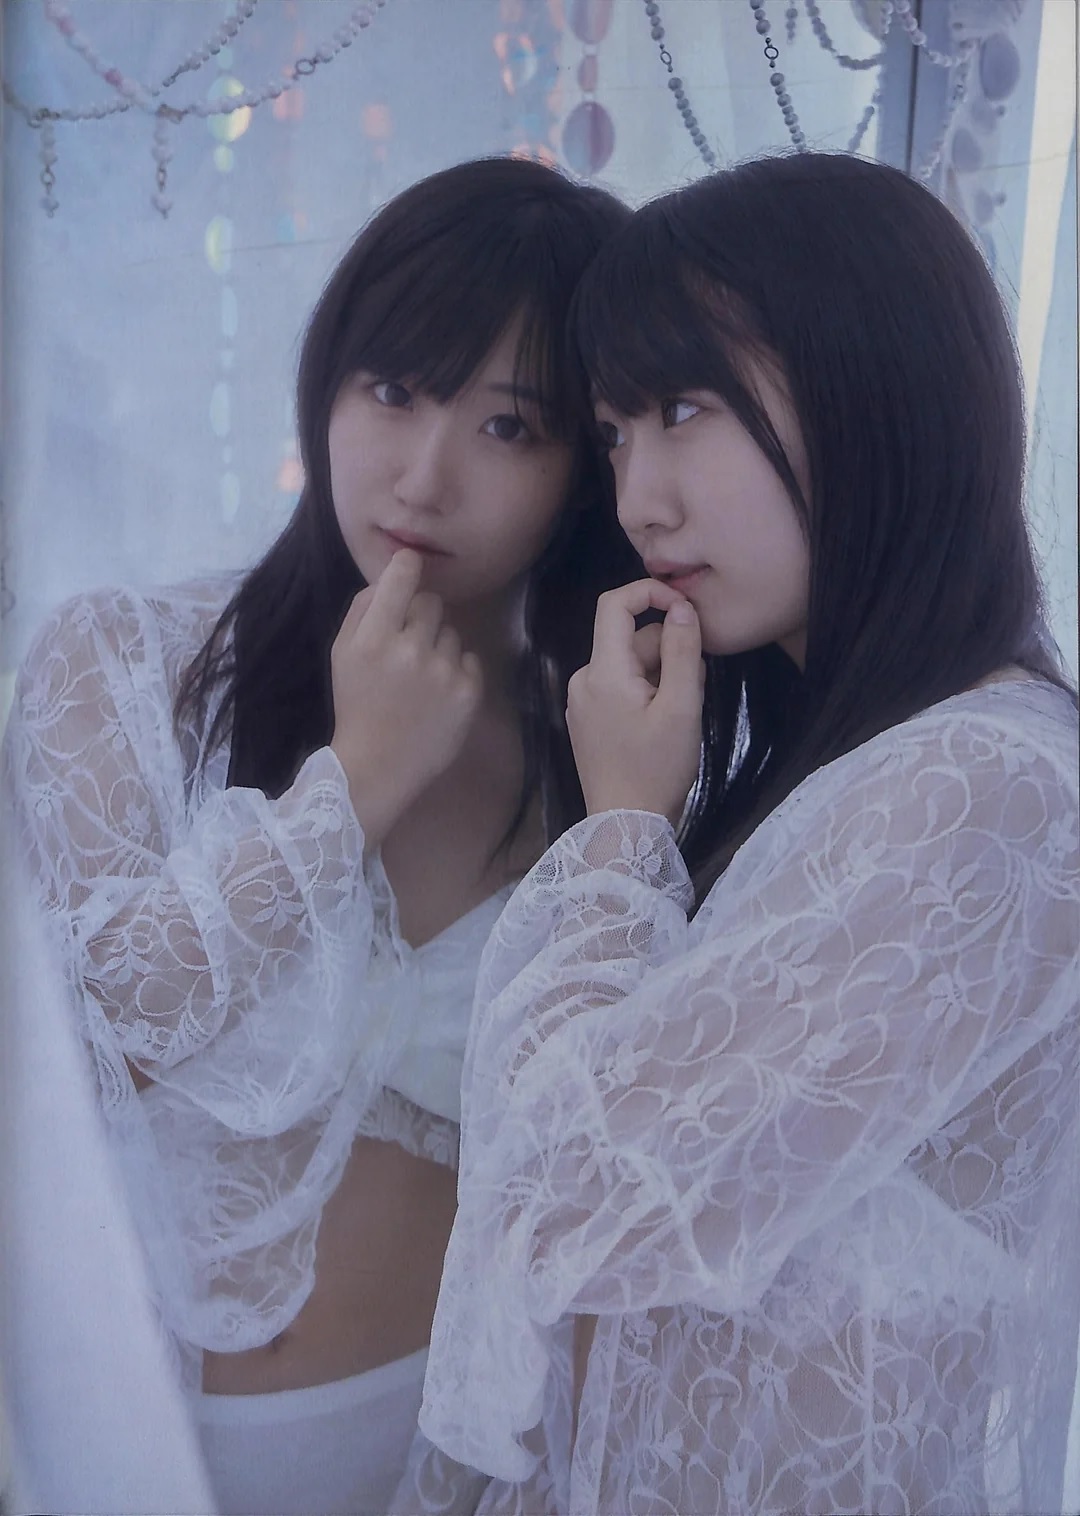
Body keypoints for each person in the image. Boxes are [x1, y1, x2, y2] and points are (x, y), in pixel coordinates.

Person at [419, 151, 1080, 1516]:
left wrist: (621, 833)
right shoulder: (862, 767)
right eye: (616, 434)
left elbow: (576, 1202)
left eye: (683, 409)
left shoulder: (984, 789)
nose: (638, 498)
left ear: (874, 387)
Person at [2, 156, 638, 1516]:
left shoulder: (598, 752)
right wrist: (354, 784)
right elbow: (101, 1032)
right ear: (327, 384)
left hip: (453, 1465)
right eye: (392, 390)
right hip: (127, 1445)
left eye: (508, 427)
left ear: (588, 466)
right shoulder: (131, 662)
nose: (422, 474)